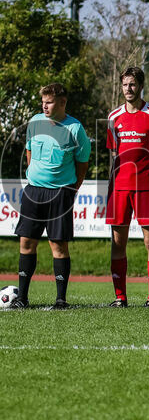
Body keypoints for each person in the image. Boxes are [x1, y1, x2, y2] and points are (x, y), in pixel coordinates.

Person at [15, 83, 91, 309]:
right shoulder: (35, 122)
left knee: (58, 245)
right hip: (33, 191)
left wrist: (71, 190)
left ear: (62, 102)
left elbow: (82, 163)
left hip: (60, 193)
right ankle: (22, 298)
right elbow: (29, 152)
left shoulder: (75, 128)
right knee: (26, 242)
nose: (44, 106)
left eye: (49, 102)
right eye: (43, 102)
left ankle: (60, 300)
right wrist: (35, 176)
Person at [106, 67, 149, 307]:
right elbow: (114, 154)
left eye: (132, 84)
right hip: (119, 188)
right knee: (117, 241)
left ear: (141, 86)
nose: (128, 89)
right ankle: (120, 297)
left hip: (145, 186)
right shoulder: (113, 117)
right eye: (125, 85)